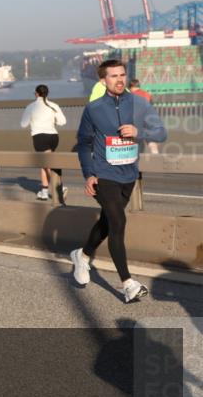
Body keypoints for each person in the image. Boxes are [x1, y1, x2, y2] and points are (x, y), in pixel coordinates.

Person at [70, 59, 167, 303]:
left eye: (122, 74)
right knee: (118, 220)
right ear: (103, 81)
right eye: (113, 76)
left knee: (107, 222)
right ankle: (128, 284)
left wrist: (139, 132)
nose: (119, 79)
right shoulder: (93, 109)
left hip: (129, 175)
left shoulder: (140, 104)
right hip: (104, 174)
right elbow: (83, 144)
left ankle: (82, 256)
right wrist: (89, 173)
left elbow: (162, 133)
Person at [20, 84, 67, 202]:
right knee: (44, 163)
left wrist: (34, 120)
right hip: (54, 137)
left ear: (36, 94)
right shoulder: (54, 105)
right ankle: (44, 192)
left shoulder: (31, 106)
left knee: (47, 164)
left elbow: (23, 124)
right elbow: (62, 122)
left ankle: (60, 187)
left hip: (40, 137)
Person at [129, 79, 160, 155]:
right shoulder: (147, 94)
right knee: (151, 139)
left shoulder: (130, 95)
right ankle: (156, 155)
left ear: (130, 87)